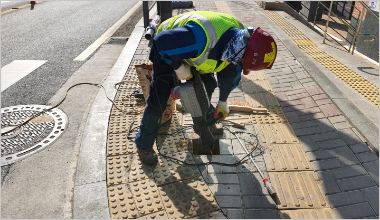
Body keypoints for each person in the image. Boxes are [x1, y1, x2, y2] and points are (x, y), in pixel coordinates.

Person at [135, 11, 277, 165]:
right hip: (169, 47)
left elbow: (230, 75)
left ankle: (201, 123)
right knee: (159, 98)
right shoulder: (200, 38)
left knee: (208, 84)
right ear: (241, 50)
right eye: (242, 61)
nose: (240, 64)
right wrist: (179, 68)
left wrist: (222, 102)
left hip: (193, 51)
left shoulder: (239, 44)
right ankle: (143, 145)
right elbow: (160, 42)